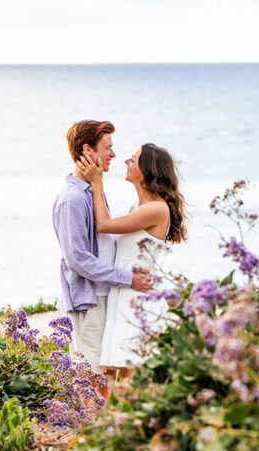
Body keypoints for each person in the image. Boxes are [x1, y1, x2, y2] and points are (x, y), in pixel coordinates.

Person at [53, 120, 151, 398]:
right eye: (107, 148)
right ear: (87, 150)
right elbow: (78, 259)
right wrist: (129, 279)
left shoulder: (91, 191)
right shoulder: (72, 198)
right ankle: (89, 435)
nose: (113, 155)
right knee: (91, 380)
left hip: (100, 296)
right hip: (88, 300)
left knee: (105, 377)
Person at [77, 142, 188, 378]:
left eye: (133, 159)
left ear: (147, 170)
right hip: (126, 289)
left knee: (133, 370)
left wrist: (97, 182)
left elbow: (104, 224)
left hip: (138, 295)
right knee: (121, 370)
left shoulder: (157, 209)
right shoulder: (136, 207)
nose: (126, 162)